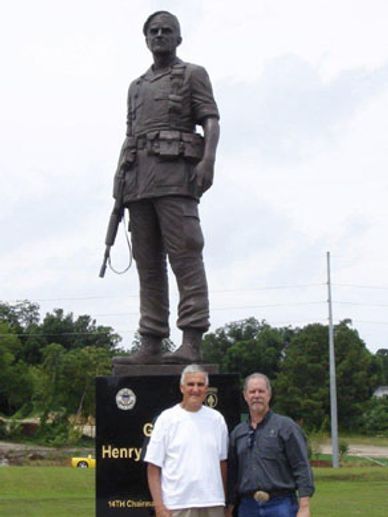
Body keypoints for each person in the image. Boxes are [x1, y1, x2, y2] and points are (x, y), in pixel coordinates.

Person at [113, 11, 220, 364]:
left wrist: (208, 162)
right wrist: (120, 186)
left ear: (178, 38)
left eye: (167, 31)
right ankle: (151, 340)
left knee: (186, 256)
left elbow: (211, 120)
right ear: (146, 39)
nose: (160, 35)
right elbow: (130, 137)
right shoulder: (137, 86)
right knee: (148, 264)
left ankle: (191, 339)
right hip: (138, 183)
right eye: (154, 31)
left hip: (176, 179)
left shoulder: (193, 74)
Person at [144, 364, 228, 517]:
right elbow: (153, 467)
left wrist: (224, 501)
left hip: (213, 504)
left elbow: (222, 463)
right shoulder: (166, 419)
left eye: (200, 385)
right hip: (177, 505)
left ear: (206, 389)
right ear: (182, 388)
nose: (195, 389)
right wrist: (159, 507)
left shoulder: (217, 419)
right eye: (191, 384)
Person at [227, 373, 314, 517]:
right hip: (248, 507)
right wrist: (230, 508)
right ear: (245, 395)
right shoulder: (238, 433)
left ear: (269, 394)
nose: (256, 395)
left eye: (261, 391)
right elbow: (233, 476)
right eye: (252, 391)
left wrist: (304, 506)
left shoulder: (286, 427)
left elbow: (301, 465)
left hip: (281, 505)